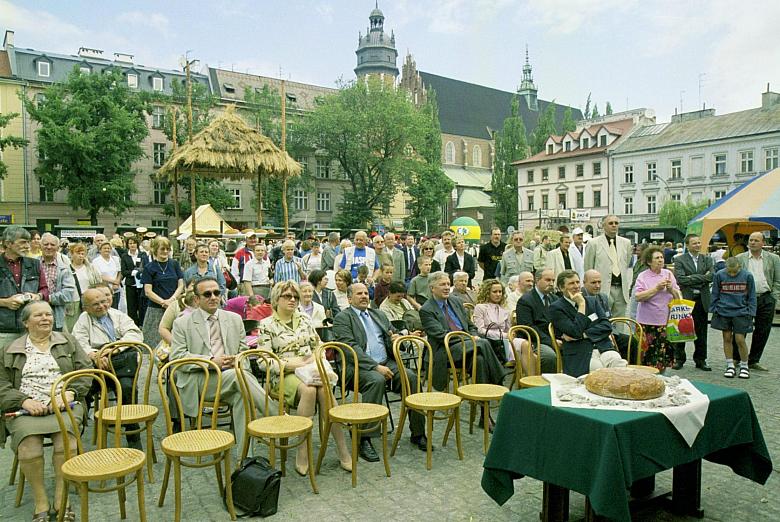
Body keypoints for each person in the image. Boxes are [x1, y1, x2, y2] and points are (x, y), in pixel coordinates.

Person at [0, 301, 91, 522]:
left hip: (64, 405)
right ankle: (41, 501)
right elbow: (2, 385)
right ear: (25, 322)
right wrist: (23, 401)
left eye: (49, 314)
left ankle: (61, 498)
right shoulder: (10, 349)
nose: (45, 319)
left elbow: (86, 370)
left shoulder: (67, 341)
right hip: (26, 411)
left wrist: (70, 394)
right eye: (38, 315)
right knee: (29, 448)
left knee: (65, 443)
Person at [170, 277, 272, 458]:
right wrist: (210, 361)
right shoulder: (182, 323)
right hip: (201, 381)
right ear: (196, 299)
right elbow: (177, 358)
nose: (213, 297)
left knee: (242, 395)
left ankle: (245, 458)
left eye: (216, 293)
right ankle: (274, 415)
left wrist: (237, 360)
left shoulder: (234, 319)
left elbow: (244, 355)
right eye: (207, 294)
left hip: (233, 379)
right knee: (238, 376)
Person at [257, 280, 352, 474]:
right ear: (276, 299)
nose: (292, 300)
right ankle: (303, 449)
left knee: (323, 389)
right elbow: (263, 361)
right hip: (284, 375)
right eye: (287, 296)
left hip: (310, 369)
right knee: (309, 390)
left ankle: (342, 449)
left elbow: (318, 345)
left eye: (295, 297)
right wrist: (293, 365)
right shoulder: (267, 325)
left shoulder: (304, 319)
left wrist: (317, 360)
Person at [333, 283, 427, 457]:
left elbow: (392, 334)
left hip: (386, 362)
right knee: (375, 380)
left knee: (411, 377)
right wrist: (375, 367)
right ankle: (364, 438)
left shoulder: (378, 314)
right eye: (358, 293)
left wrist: (401, 337)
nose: (364, 296)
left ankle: (418, 433)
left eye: (366, 293)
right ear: (349, 298)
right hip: (356, 367)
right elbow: (350, 348)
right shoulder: (343, 318)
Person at [72, 288, 144, 448]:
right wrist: (95, 355)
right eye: (95, 304)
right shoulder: (83, 320)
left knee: (127, 388)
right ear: (86, 308)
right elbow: (79, 343)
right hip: (97, 368)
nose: (102, 306)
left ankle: (133, 433)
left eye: (103, 301)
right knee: (82, 390)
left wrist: (114, 349)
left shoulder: (117, 315)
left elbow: (135, 333)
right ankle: (76, 431)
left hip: (120, 362)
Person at [419, 271, 506, 394]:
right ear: (432, 288)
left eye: (448, 284)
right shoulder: (426, 309)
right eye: (442, 284)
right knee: (484, 343)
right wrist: (469, 339)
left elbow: (470, 325)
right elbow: (441, 336)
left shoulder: (456, 301)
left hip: (468, 346)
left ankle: (480, 400)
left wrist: (474, 335)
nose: (447, 287)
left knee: (479, 359)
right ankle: (500, 380)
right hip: (446, 349)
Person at [550, 270, 627, 377]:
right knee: (599, 371)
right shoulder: (556, 308)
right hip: (580, 353)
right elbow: (575, 332)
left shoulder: (592, 301)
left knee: (619, 364)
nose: (576, 286)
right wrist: (581, 304)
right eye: (571, 283)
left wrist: (584, 335)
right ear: (561, 287)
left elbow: (606, 326)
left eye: (577, 282)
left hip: (602, 347)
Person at [734, 232, 780, 371]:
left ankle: (754, 360)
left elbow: (778, 279)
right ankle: (737, 357)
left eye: (756, 240)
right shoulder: (739, 258)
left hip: (766, 297)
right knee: (741, 328)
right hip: (745, 299)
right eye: (750, 240)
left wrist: (773, 296)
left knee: (763, 330)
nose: (752, 242)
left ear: (762, 243)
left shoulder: (774, 258)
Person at [0, 226, 49, 350]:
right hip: (3, 329)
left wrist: (38, 296)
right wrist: (5, 302)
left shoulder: (34, 264)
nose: (28, 246)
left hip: (30, 328)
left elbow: (45, 290)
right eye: (22, 242)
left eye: (28, 241)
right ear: (8, 243)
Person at [634, 246, 682, 371]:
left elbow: (679, 297)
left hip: (665, 322)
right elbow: (638, 297)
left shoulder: (668, 274)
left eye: (661, 257)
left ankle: (662, 379)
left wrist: (671, 289)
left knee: (663, 355)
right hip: (646, 322)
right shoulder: (643, 276)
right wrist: (656, 289)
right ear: (649, 262)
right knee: (645, 355)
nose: (660, 260)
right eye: (657, 258)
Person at [672, 234, 714, 371]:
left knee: (701, 332)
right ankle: (679, 359)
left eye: (699, 243)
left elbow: (711, 276)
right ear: (687, 245)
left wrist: (693, 277)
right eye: (694, 243)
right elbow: (681, 279)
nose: (697, 245)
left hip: (702, 299)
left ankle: (700, 360)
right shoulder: (679, 260)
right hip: (685, 299)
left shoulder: (707, 259)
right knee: (682, 330)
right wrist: (702, 278)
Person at [711, 257, 756, 379]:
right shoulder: (719, 275)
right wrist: (713, 308)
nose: (731, 274)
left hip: (741, 311)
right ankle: (730, 365)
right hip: (723, 310)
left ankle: (744, 365)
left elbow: (752, 295)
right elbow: (715, 292)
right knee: (726, 337)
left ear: (739, 267)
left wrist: (751, 311)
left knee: (740, 339)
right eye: (729, 271)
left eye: (734, 272)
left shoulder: (748, 276)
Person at [584, 215, 633, 319]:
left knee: (620, 322)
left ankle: (619, 336)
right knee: (602, 320)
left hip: (621, 290)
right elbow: (588, 268)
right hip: (602, 289)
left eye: (616, 223)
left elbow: (626, 263)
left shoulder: (626, 243)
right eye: (611, 223)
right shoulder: (593, 243)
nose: (614, 225)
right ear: (603, 226)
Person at [141, 237, 185, 350]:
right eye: (162, 249)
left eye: (167, 249)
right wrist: (163, 302)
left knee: (175, 342)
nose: (165, 251)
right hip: (156, 309)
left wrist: (172, 300)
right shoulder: (149, 267)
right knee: (154, 344)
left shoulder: (174, 264)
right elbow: (148, 291)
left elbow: (181, 284)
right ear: (155, 250)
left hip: (174, 306)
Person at [514, 268, 560, 374]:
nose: (552, 283)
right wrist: (551, 341)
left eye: (553, 280)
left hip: (555, 338)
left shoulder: (555, 299)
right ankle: (545, 386)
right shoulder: (526, 300)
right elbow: (528, 327)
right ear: (537, 280)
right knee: (549, 356)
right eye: (548, 280)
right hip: (534, 340)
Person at [582, 269, 632, 359]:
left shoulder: (603, 297)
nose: (597, 286)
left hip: (607, 331)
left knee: (630, 341)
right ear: (584, 283)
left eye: (599, 282)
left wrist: (612, 333)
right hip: (592, 335)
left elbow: (609, 318)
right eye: (593, 283)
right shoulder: (581, 299)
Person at [472, 279, 523, 365]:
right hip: (490, 340)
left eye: (500, 292)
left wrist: (510, 334)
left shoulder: (504, 309)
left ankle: (525, 375)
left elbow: (508, 329)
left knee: (524, 344)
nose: (498, 294)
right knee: (517, 348)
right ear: (487, 293)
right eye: (494, 292)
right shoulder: (480, 307)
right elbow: (480, 330)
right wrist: (504, 335)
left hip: (505, 339)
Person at [39, 234, 78, 333]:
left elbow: (68, 293)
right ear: (40, 246)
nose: (49, 247)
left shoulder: (64, 266)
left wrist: (47, 298)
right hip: (35, 313)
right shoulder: (32, 264)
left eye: (52, 244)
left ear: (58, 247)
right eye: (46, 244)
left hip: (56, 314)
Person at [66, 242, 103, 332]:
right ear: (71, 254)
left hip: (89, 300)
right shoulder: (66, 269)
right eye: (78, 253)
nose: (81, 256)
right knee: (73, 326)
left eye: (83, 254)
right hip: (73, 302)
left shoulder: (91, 268)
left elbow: (98, 283)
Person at [120, 236, 149, 327]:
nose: (132, 245)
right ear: (127, 245)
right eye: (130, 243)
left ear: (137, 244)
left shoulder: (143, 254)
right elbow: (124, 271)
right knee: (131, 306)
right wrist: (133, 272)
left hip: (141, 285)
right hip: (130, 284)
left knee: (142, 306)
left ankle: (142, 324)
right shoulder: (124, 256)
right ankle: (132, 325)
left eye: (134, 243)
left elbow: (147, 267)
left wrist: (140, 272)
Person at [91, 242, 122, 309]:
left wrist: (117, 283)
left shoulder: (115, 259)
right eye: (104, 248)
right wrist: (114, 281)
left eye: (108, 248)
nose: (107, 250)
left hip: (115, 288)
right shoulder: (96, 261)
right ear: (100, 250)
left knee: (115, 308)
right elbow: (99, 275)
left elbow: (119, 272)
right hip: (103, 289)